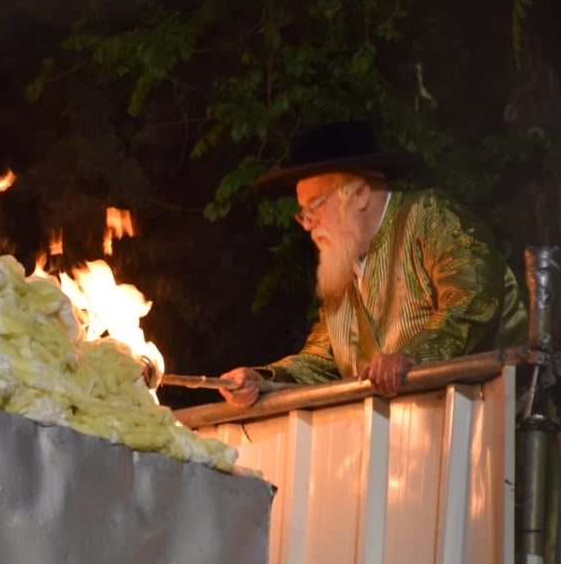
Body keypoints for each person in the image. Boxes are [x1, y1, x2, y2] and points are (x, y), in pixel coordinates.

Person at [220, 120, 527, 406]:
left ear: (361, 195)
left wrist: (410, 357)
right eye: (302, 213)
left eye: (314, 207)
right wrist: (262, 379)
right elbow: (322, 361)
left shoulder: (429, 216)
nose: (307, 224)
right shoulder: (342, 269)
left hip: (491, 424)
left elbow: (473, 300)